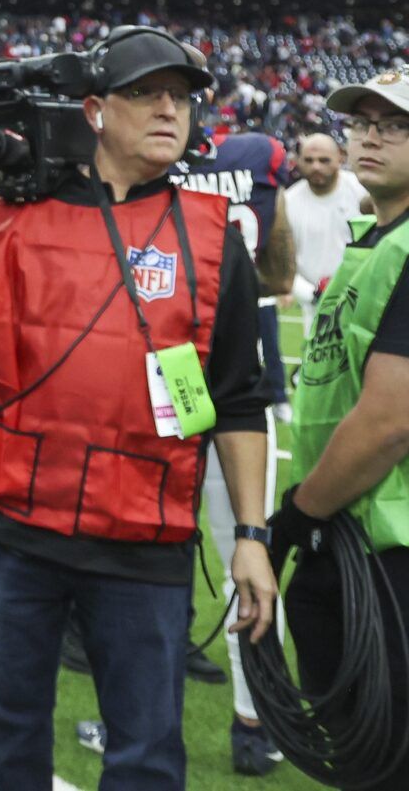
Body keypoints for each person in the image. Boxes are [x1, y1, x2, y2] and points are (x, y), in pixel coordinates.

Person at [0, 26, 279, 790]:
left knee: (149, 750)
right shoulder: (12, 213)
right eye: (146, 92)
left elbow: (239, 400)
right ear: (94, 109)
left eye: (181, 95)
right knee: (10, 734)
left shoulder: (216, 233)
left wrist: (250, 534)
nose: (168, 107)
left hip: (143, 536)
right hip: (11, 526)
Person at [275, 68, 409, 789]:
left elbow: (391, 420)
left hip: (389, 551)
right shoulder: (376, 241)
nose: (371, 135)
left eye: (396, 124)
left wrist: (298, 513)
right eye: (363, 122)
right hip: (350, 541)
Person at [172, 124, 296, 772]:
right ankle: (257, 722)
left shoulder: (144, 156)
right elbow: (278, 259)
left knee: (143, 556)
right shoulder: (256, 154)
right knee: (246, 557)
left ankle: (137, 711)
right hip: (236, 370)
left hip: (170, 372)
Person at [285, 131, 369, 335]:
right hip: (315, 309)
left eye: (324, 160)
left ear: (340, 157)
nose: (316, 166)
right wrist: (313, 294)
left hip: (363, 303)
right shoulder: (289, 202)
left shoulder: (362, 191)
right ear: (298, 161)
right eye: (309, 160)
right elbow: (286, 264)